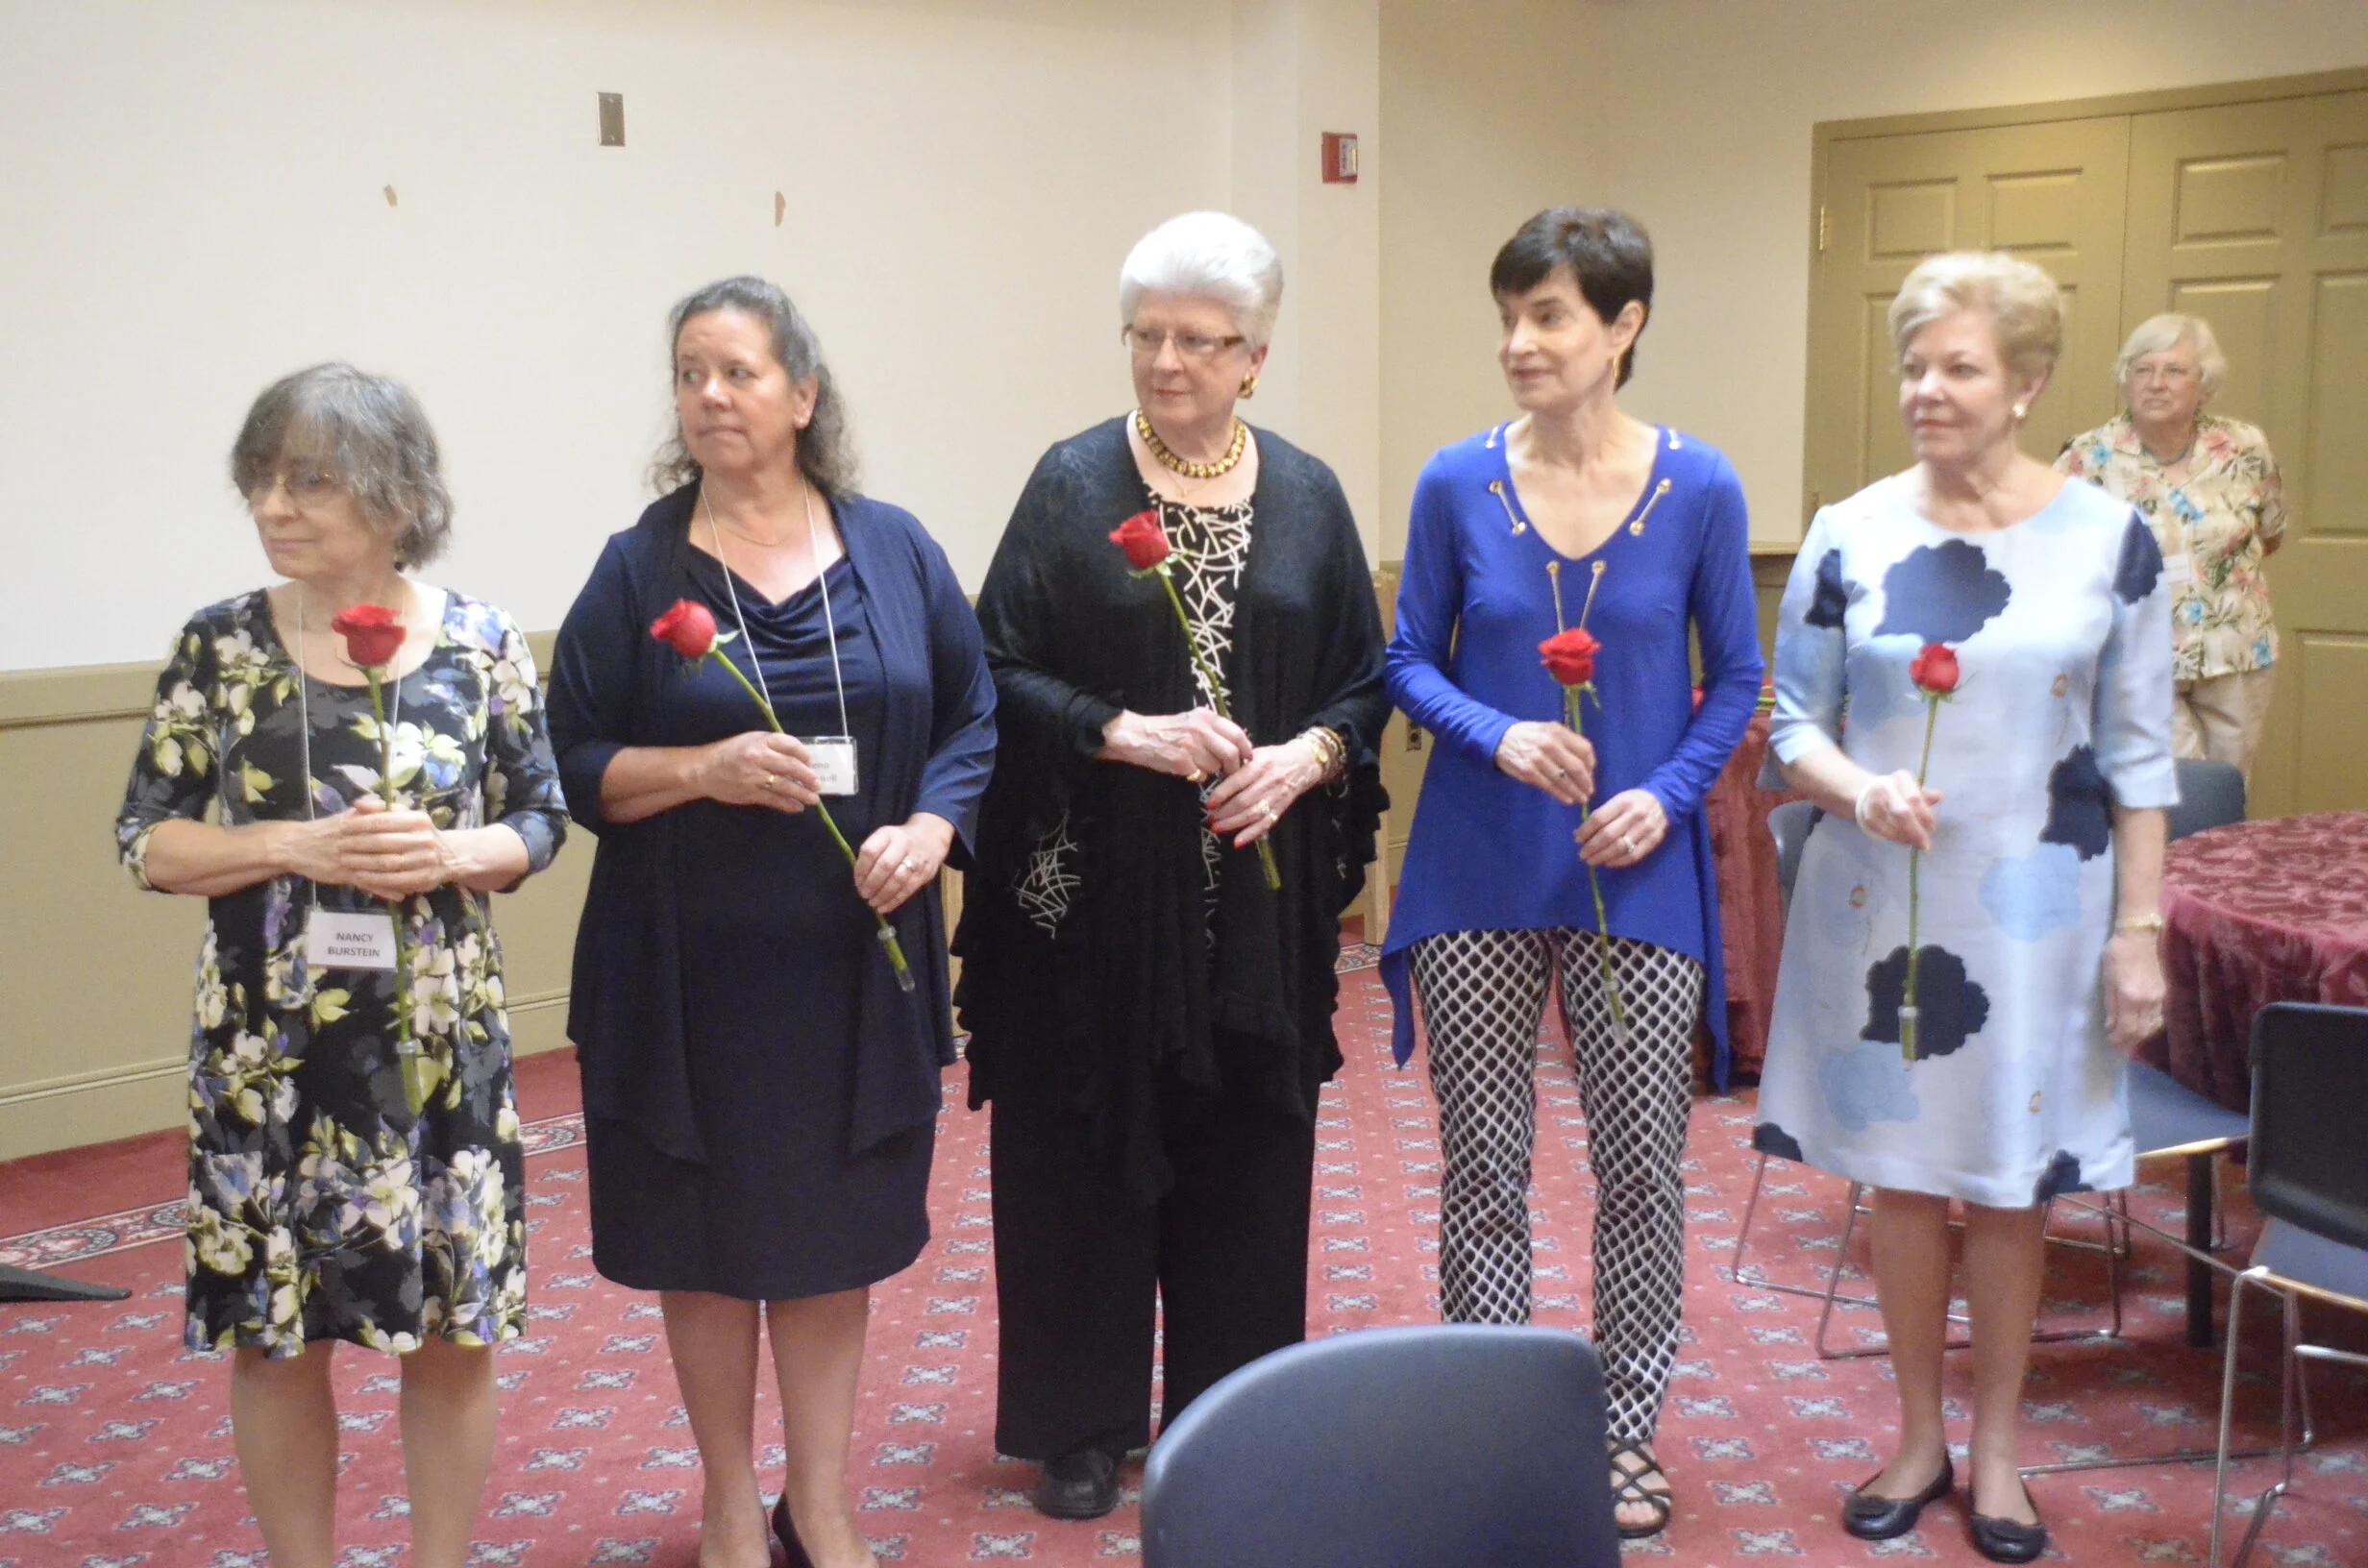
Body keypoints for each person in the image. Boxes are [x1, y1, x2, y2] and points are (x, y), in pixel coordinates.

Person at [546, 277, 995, 1568]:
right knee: (701, 1241)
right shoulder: (638, 567)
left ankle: (824, 1500)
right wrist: (703, 769)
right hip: (684, 976)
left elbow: (971, 717)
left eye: (737, 372)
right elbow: (572, 763)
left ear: (803, 396)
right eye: (690, 374)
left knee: (828, 1241)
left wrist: (934, 829)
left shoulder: (895, 549)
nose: (709, 396)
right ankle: (730, 1501)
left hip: (854, 965)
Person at [954, 210, 1389, 1522]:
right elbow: (994, 665)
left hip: (1253, 909)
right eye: (1146, 334)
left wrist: (1306, 759)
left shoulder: (1306, 494)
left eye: (1199, 341)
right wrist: (1118, 730)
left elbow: (1362, 681)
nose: (1165, 362)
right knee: (1081, 1152)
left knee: (1248, 1158)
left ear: (1255, 356)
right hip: (1091, 904)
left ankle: (1226, 1416)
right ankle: (1080, 1426)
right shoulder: (1072, 483)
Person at [1753, 252, 2175, 1564]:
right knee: (1901, 1181)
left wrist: (2141, 934)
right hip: (1884, 904)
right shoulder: (1850, 528)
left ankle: (1997, 1451)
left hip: (2042, 916)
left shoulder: (2109, 540)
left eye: (1958, 367)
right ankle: (1915, 1437)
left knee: (2009, 1184)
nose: (1925, 389)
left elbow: (2141, 760)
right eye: (1912, 366)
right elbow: (1790, 724)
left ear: (2029, 382)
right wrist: (1857, 788)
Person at [114, 364, 568, 1568]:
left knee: (453, 1334)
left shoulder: (479, 642)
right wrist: (289, 845)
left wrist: (451, 852)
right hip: (270, 1054)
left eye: (307, 480)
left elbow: (539, 821)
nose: (273, 506)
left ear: (396, 493)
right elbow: (147, 839)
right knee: (276, 1339)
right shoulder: (218, 646)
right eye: (260, 480)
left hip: (435, 1050)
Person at [1378, 206, 1764, 1539]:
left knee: (1642, 1167)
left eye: (1546, 316)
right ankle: (1497, 1427)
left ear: (1624, 324)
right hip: (1475, 871)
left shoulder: (1701, 487)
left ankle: (1621, 1431)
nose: (1518, 343)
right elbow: (1406, 658)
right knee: (1483, 1168)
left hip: (1634, 877)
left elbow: (1739, 678)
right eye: (1508, 318)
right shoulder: (1453, 483)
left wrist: (1664, 795)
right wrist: (1496, 733)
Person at [2058, 312, 2286, 777]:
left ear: (2205, 385)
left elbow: (2271, 532)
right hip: (2138, 656)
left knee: (2229, 789)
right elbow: (2054, 556)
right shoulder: (2087, 457)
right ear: (2126, 380)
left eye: (2174, 370)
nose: (2156, 383)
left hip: (2237, 651)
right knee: (2177, 792)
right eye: (2143, 370)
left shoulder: (2244, 447)